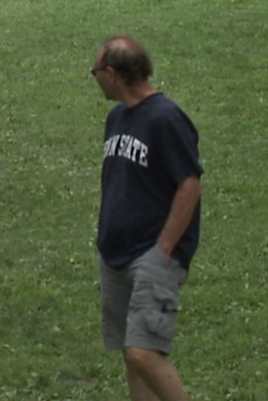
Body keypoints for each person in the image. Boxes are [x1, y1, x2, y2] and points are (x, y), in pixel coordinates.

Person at [91, 34, 202, 401]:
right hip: (116, 253)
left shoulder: (165, 118)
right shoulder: (117, 118)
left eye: (95, 71)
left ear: (112, 73)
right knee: (132, 354)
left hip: (152, 255)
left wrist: (165, 248)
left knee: (144, 352)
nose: (94, 78)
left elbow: (189, 186)